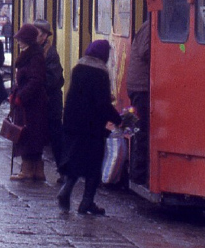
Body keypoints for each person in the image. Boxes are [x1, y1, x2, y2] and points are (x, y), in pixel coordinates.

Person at [57, 39, 121, 216]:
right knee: (93, 165)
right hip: (91, 127)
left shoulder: (79, 68)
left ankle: (66, 190)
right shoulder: (100, 73)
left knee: (75, 160)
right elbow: (102, 105)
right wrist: (118, 118)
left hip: (72, 122)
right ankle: (87, 202)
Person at [9, 23, 50, 182]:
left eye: (21, 39)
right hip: (32, 104)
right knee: (33, 137)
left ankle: (27, 171)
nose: (18, 42)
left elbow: (35, 80)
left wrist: (20, 96)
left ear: (27, 40)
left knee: (26, 136)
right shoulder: (33, 54)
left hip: (30, 105)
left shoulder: (33, 56)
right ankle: (37, 171)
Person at [33, 20, 65, 170]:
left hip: (51, 102)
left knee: (56, 136)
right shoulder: (37, 50)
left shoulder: (50, 53)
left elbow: (53, 79)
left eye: (37, 33)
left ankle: (64, 170)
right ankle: (35, 168)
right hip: (43, 101)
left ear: (44, 36)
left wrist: (35, 85)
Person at [124, 16, 151, 186]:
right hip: (141, 86)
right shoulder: (152, 26)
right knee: (141, 130)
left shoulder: (148, 25)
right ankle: (137, 175)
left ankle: (137, 172)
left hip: (138, 85)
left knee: (138, 129)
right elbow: (145, 51)